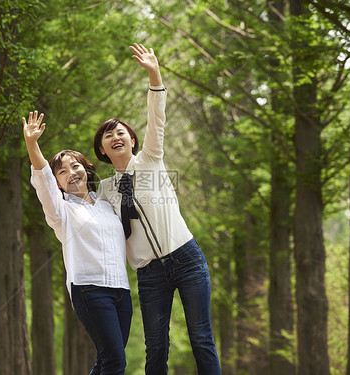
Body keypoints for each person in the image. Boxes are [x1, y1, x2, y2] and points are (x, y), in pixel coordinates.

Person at [93, 43, 221, 375]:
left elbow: (157, 118)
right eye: (108, 136)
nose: (115, 136)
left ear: (133, 140)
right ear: (103, 151)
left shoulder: (150, 159)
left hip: (186, 259)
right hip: (149, 275)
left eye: (120, 132)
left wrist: (154, 74)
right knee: (156, 349)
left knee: (201, 339)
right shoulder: (105, 191)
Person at [23, 110, 132, 375]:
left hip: (121, 291)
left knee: (106, 361)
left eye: (75, 166)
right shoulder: (60, 211)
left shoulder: (107, 204)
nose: (71, 173)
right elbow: (43, 181)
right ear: (58, 182)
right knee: (116, 362)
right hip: (90, 290)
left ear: (86, 169)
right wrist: (32, 144)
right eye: (62, 172)